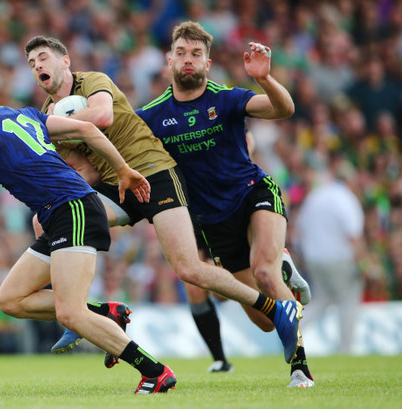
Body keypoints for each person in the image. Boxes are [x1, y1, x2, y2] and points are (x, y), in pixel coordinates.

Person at [24, 35, 302, 368]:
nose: (38, 65)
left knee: (190, 271)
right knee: (48, 217)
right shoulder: (46, 114)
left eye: (43, 57)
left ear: (65, 61)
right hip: (119, 184)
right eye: (32, 63)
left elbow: (101, 116)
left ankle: (274, 309)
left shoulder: (92, 82)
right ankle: (78, 312)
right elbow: (85, 170)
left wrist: (47, 128)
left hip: (153, 173)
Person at [0, 72, 176, 394]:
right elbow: (88, 128)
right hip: (64, 212)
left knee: (70, 312)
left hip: (72, 208)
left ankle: (155, 372)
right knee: (11, 300)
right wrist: (122, 169)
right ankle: (107, 312)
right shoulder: (23, 113)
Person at [135, 21, 314, 387]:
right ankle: (282, 268)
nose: (188, 60)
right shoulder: (150, 116)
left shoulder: (227, 98)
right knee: (265, 321)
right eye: (181, 53)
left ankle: (300, 368)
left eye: (196, 54)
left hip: (253, 194)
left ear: (208, 64)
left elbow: (284, 108)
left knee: (262, 271)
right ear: (169, 60)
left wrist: (264, 78)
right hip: (212, 223)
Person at [296, 155, 367, 354]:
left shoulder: (316, 196)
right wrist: (364, 263)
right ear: (349, 180)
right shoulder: (346, 198)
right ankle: (346, 349)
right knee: (348, 300)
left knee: (323, 300)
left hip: (314, 260)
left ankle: (294, 332)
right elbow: (353, 236)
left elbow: (300, 231)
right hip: (339, 260)